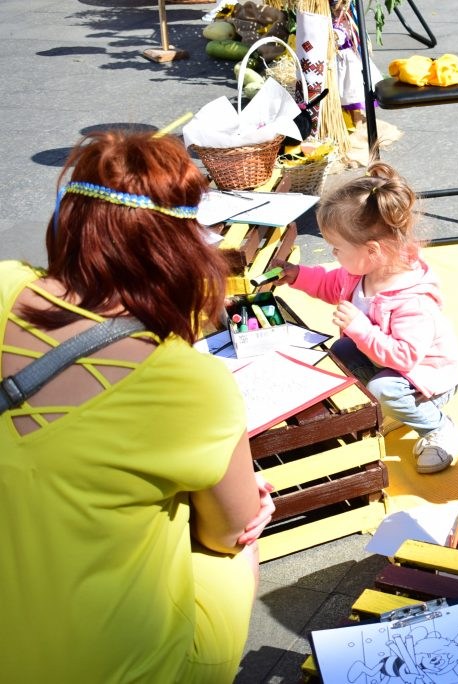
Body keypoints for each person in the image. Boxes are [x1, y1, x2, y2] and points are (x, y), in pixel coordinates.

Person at [0, 130, 275, 682]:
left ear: (68, 222)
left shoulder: (6, 281)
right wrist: (248, 506)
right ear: (181, 246)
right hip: (112, 668)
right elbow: (228, 532)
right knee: (235, 550)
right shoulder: (189, 380)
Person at [271, 161, 458, 474]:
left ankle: (437, 427)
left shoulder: (412, 301)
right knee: (341, 351)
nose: (333, 254)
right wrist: (296, 275)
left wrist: (361, 329)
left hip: (425, 380)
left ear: (371, 250)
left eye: (336, 248)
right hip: (386, 363)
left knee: (384, 390)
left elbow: (405, 357)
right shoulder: (362, 272)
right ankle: (384, 407)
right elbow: (330, 284)